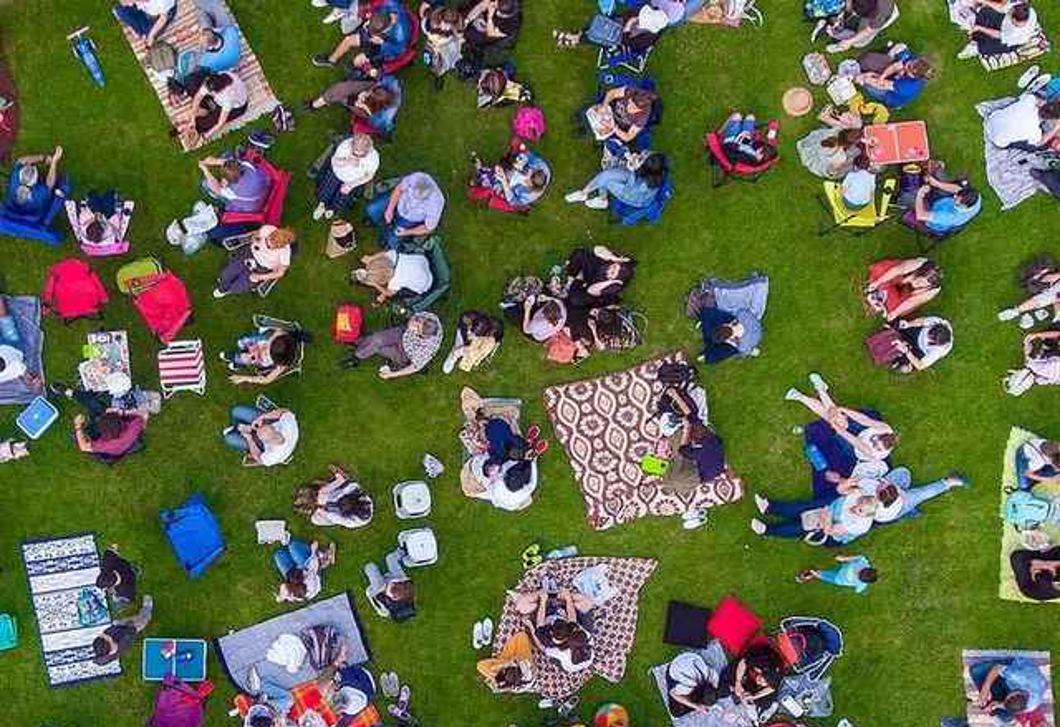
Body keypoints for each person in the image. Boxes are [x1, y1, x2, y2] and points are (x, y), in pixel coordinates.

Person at [786, 372, 898, 464]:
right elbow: (863, 419)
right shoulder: (885, 428)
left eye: (876, 446)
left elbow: (853, 440)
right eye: (875, 441)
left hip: (853, 448)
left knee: (836, 421)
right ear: (882, 435)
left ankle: (817, 390)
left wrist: (837, 428)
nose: (874, 444)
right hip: (862, 431)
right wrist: (842, 409)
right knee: (836, 416)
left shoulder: (874, 453)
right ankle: (810, 393)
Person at [49, 383, 148, 460]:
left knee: (94, 406)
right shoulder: (134, 428)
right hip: (124, 435)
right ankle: (73, 393)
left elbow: (83, 447)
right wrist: (122, 412)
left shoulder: (105, 445)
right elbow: (145, 414)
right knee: (95, 406)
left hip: (109, 441)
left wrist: (78, 426)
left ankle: (70, 392)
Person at [311, 4, 413, 74]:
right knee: (349, 40)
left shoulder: (401, 33)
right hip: (380, 35)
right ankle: (331, 60)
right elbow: (376, 7)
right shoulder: (389, 7)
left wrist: (383, 43)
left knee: (359, 59)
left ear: (387, 28)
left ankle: (357, 69)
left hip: (388, 47)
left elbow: (400, 50)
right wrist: (370, 13)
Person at [338, 311, 443, 379]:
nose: (415, 324)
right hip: (402, 333)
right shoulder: (430, 317)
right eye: (418, 322)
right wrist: (411, 322)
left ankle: (358, 343)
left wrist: (391, 375)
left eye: (417, 328)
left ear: (422, 335)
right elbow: (415, 316)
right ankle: (357, 356)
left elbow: (414, 367)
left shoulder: (427, 348)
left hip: (404, 354)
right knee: (377, 338)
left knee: (378, 347)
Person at [751, 492, 879, 545]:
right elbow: (841, 490)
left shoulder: (857, 525)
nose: (856, 508)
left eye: (860, 510)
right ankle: (769, 508)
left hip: (830, 524)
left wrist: (826, 516)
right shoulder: (859, 496)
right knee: (801, 507)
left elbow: (830, 530)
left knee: (800, 527)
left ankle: (767, 530)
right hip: (831, 508)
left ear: (865, 516)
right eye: (858, 504)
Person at [364, 172, 445, 249]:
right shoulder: (417, 177)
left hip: (410, 219)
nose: (413, 201)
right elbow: (399, 189)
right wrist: (390, 209)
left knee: (393, 240)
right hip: (399, 201)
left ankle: (386, 238)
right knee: (373, 209)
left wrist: (406, 232)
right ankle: (374, 219)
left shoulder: (437, 203)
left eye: (419, 200)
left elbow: (428, 228)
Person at [564, 152, 667, 210]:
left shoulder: (647, 184)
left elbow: (629, 190)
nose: (642, 155)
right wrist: (633, 157)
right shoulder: (654, 160)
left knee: (607, 179)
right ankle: (590, 195)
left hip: (635, 196)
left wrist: (632, 171)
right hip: (637, 177)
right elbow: (644, 154)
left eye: (642, 159)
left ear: (646, 168)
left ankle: (598, 199)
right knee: (608, 171)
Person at [213, 225, 295, 298]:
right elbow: (255, 234)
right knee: (228, 273)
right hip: (250, 253)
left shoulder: (285, 252)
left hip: (262, 267)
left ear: (282, 246)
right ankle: (224, 283)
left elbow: (280, 273)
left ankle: (229, 289)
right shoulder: (268, 229)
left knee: (238, 287)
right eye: (269, 239)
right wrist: (255, 237)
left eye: (274, 245)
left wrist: (259, 277)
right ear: (272, 233)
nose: (269, 244)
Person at [313, 133, 380, 221]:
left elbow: (370, 175)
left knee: (343, 196)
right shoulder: (345, 145)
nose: (357, 156)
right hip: (337, 172)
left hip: (353, 180)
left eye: (361, 155)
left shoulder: (374, 157)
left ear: (368, 150)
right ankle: (322, 204)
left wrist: (351, 185)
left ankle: (332, 209)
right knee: (327, 189)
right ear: (352, 145)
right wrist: (347, 161)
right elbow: (334, 161)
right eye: (354, 153)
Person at [175, 71, 249, 147]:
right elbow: (198, 98)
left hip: (236, 108)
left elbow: (220, 123)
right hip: (216, 100)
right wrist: (193, 118)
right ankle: (203, 111)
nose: (206, 89)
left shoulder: (228, 97)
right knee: (190, 82)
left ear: (218, 91)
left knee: (207, 122)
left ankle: (196, 128)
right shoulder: (211, 81)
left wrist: (206, 136)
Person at [292, 464, 374, 529]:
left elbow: (332, 516)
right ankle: (338, 479)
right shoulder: (356, 491)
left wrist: (318, 508)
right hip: (342, 498)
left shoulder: (348, 521)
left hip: (337, 515)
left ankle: (314, 499)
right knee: (323, 496)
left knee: (315, 519)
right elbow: (345, 489)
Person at [969, 657, 1049, 722]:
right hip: (1012, 665)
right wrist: (985, 689)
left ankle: (991, 693)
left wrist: (998, 704)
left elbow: (1016, 708)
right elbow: (997, 668)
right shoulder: (1017, 676)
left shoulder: (1031, 705)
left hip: (1015, 684)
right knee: (975, 670)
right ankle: (989, 690)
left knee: (1006, 718)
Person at [303, 78, 402, 131]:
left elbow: (380, 125)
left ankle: (314, 105)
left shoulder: (378, 117)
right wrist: (369, 90)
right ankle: (317, 103)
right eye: (369, 92)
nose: (366, 93)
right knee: (341, 90)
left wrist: (360, 105)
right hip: (370, 95)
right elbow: (388, 81)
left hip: (365, 109)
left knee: (340, 94)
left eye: (367, 96)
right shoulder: (391, 89)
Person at [469, 145, 550, 208]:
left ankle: (480, 177)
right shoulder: (541, 166)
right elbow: (528, 155)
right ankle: (483, 171)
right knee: (499, 170)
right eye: (530, 173)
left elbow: (512, 201)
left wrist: (504, 182)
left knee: (495, 181)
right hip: (512, 175)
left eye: (528, 181)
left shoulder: (528, 195)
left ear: (531, 186)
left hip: (509, 189)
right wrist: (520, 161)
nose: (526, 176)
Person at [863, 257, 943, 321]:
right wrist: (877, 282)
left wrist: (894, 313)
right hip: (899, 277)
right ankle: (880, 291)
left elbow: (910, 302)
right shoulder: (919, 264)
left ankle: (881, 296)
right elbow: (897, 270)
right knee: (881, 270)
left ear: (929, 286)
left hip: (906, 293)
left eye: (924, 284)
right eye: (920, 279)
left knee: (896, 307)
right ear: (919, 272)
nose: (920, 283)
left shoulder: (932, 291)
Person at [856, 43, 933, 108]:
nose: (906, 64)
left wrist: (866, 77)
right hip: (897, 79)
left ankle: (864, 81)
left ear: (913, 76)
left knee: (865, 82)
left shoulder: (907, 86)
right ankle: (887, 59)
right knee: (901, 47)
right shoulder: (915, 63)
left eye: (909, 67)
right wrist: (882, 76)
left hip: (889, 94)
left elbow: (880, 84)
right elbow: (895, 66)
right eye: (910, 62)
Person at [221, 403, 299, 466]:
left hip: (264, 449)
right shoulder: (288, 424)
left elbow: (258, 458)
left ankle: (238, 429)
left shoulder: (272, 456)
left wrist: (250, 438)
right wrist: (262, 418)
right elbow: (284, 411)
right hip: (269, 423)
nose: (255, 429)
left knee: (229, 439)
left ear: (266, 442)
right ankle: (238, 427)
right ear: (274, 428)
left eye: (258, 435)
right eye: (260, 428)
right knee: (236, 411)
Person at [172, 25, 243, 93]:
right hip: (237, 57)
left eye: (203, 45)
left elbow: (207, 68)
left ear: (211, 48)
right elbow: (226, 29)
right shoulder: (230, 32)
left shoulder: (207, 61)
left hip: (226, 67)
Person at [958, 1, 1040, 59]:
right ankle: (973, 21)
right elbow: (1002, 8)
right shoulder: (1026, 10)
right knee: (986, 12)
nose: (1008, 11)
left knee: (986, 46)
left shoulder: (1014, 33)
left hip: (1009, 42)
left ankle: (974, 49)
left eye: (1010, 13)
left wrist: (979, 28)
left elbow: (997, 34)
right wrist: (983, 1)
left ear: (1014, 20)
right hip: (1005, 26)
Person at [908, 172, 981, 237]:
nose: (954, 196)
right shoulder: (976, 198)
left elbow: (921, 215)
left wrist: (920, 194)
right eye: (956, 195)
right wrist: (937, 184)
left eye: (957, 199)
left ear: (964, 206)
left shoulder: (949, 216)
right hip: (943, 203)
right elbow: (957, 189)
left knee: (909, 197)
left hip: (931, 217)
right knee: (935, 171)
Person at [351, 249, 433, 306]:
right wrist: (371, 258)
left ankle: (381, 297)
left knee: (398, 294)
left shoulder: (394, 282)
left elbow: (389, 293)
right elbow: (384, 254)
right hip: (423, 261)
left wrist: (374, 284)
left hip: (426, 284)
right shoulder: (392, 255)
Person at [223, 328, 304, 386]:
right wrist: (268, 343)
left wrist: (244, 378)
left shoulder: (283, 364)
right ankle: (242, 356)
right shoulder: (284, 340)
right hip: (262, 343)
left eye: (270, 354)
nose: (267, 352)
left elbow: (266, 380)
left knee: (247, 358)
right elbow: (279, 331)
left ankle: (242, 361)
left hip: (261, 360)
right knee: (242, 342)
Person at [563, 246, 636, 309]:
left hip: (592, 286)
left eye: (612, 273)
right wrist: (613, 258)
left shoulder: (614, 286)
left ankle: (574, 285)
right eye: (613, 266)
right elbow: (596, 249)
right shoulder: (614, 261)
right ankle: (569, 283)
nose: (609, 269)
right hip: (593, 272)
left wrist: (609, 282)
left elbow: (590, 290)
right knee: (579, 253)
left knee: (576, 299)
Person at [583, 84, 658, 144]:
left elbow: (628, 137)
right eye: (631, 101)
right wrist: (604, 106)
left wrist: (613, 127)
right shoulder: (632, 91)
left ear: (641, 109)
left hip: (616, 127)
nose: (629, 105)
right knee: (588, 113)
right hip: (609, 111)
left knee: (595, 132)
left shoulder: (643, 117)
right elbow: (612, 93)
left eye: (634, 107)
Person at [92, 595, 154, 666]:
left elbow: (102, 635)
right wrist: (131, 625)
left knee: (127, 621)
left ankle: (139, 616)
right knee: (143, 620)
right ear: (111, 652)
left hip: (120, 627)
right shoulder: (123, 642)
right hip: (129, 629)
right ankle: (147, 609)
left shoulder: (101, 647)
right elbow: (130, 631)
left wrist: (108, 636)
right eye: (112, 646)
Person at [199, 155, 271, 215]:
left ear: (230, 181)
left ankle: (215, 197)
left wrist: (205, 170)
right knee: (227, 155)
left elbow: (216, 188)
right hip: (263, 190)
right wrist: (216, 161)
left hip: (252, 206)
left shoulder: (232, 192)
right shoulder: (247, 165)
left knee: (205, 183)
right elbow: (235, 163)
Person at [5, 146, 64, 218]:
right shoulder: (39, 194)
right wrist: (54, 161)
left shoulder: (15, 176)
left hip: (10, 210)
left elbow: (20, 161)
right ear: (35, 182)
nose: (30, 165)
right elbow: (50, 183)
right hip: (32, 216)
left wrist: (43, 158)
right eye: (32, 169)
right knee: (51, 191)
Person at [818, 0, 897, 53]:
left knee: (860, 43)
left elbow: (870, 29)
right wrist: (848, 10)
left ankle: (843, 42)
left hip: (879, 17)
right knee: (849, 16)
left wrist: (848, 42)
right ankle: (840, 32)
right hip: (867, 10)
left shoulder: (882, 9)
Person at [985, 95, 1060, 150]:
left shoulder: (1030, 100)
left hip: (992, 119)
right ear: (1052, 118)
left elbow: (1037, 100)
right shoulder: (1034, 131)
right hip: (996, 140)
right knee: (1041, 147)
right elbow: (1040, 142)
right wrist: (1056, 127)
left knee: (1014, 106)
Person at [0, 295, 40, 390]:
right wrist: (34, 385)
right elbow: (28, 379)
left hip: (8, 345)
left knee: (3, 318)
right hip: (13, 344)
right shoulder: (15, 367)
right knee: (4, 317)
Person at [887, 316, 954, 372]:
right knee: (898, 323)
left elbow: (920, 365)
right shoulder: (938, 322)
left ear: (937, 344)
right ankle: (890, 332)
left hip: (921, 350)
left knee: (906, 365)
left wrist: (907, 352)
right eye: (929, 334)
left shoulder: (937, 351)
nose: (927, 337)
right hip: (918, 333)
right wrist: (909, 324)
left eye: (930, 339)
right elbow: (922, 321)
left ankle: (901, 361)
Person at [796, 125, 864, 180]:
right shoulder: (841, 157)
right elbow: (833, 171)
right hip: (825, 166)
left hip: (816, 152)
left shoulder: (835, 131)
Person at [365, 551, 415, 619]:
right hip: (395, 580)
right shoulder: (407, 589)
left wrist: (380, 589)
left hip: (380, 589)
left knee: (370, 567)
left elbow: (370, 595)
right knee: (390, 558)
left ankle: (382, 580)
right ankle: (404, 550)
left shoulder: (384, 609)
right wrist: (394, 582)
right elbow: (404, 580)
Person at [421, 4, 465, 80]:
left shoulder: (456, 24)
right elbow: (433, 40)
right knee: (438, 55)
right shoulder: (431, 24)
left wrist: (455, 37)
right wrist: (438, 45)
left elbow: (459, 35)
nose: (447, 28)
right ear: (440, 17)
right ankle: (439, 66)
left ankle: (448, 63)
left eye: (450, 25)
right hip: (436, 40)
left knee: (453, 51)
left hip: (444, 41)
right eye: (445, 24)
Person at [797, 554, 877, 593]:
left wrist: (859, 588)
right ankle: (813, 573)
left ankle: (811, 574)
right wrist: (844, 558)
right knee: (831, 571)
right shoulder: (863, 563)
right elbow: (860, 557)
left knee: (823, 575)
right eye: (859, 572)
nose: (856, 573)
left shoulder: (862, 584)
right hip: (844, 568)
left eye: (858, 576)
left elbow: (858, 590)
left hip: (837, 579)